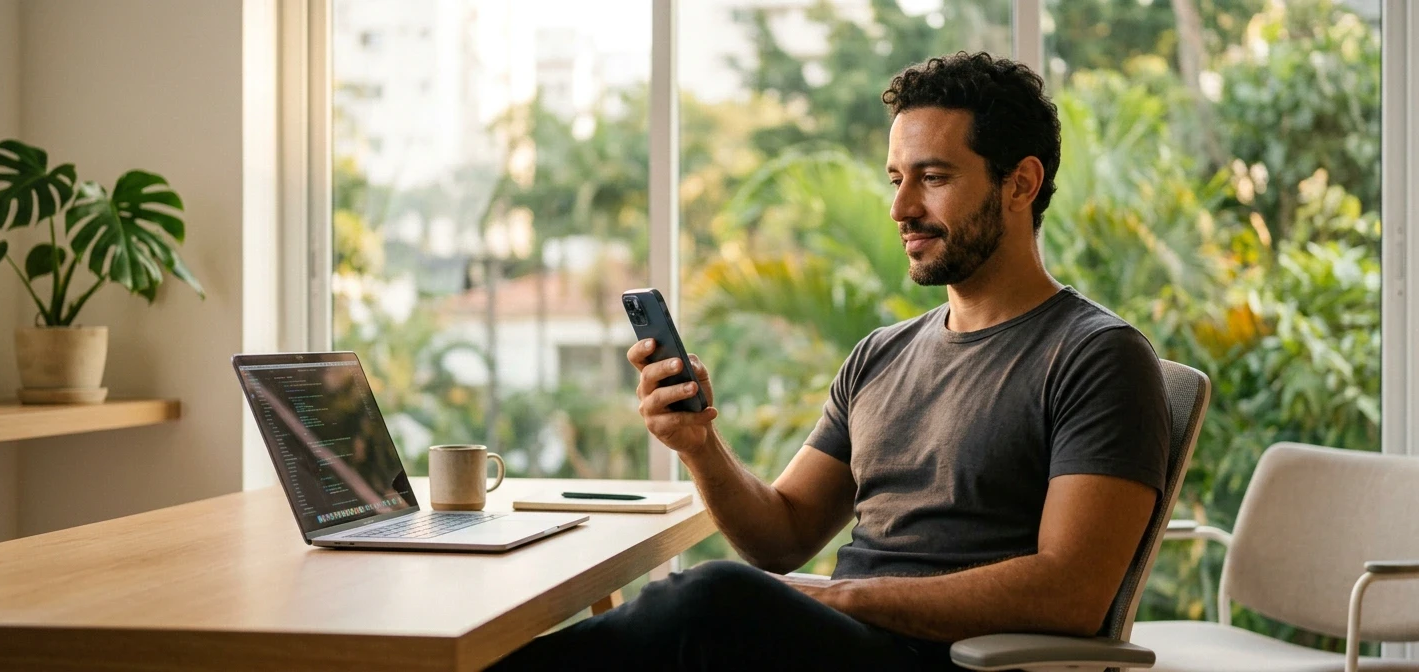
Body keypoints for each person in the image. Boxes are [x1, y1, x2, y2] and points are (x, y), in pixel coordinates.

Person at [493, 50, 1171, 672]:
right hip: (847, 646)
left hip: (953, 662)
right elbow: (782, 536)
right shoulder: (881, 355)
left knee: (710, 599)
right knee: (703, 603)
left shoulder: (1096, 357)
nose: (901, 207)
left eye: (934, 178)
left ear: (1020, 183)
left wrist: (841, 597)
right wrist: (700, 446)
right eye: (897, 179)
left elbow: (1072, 592)